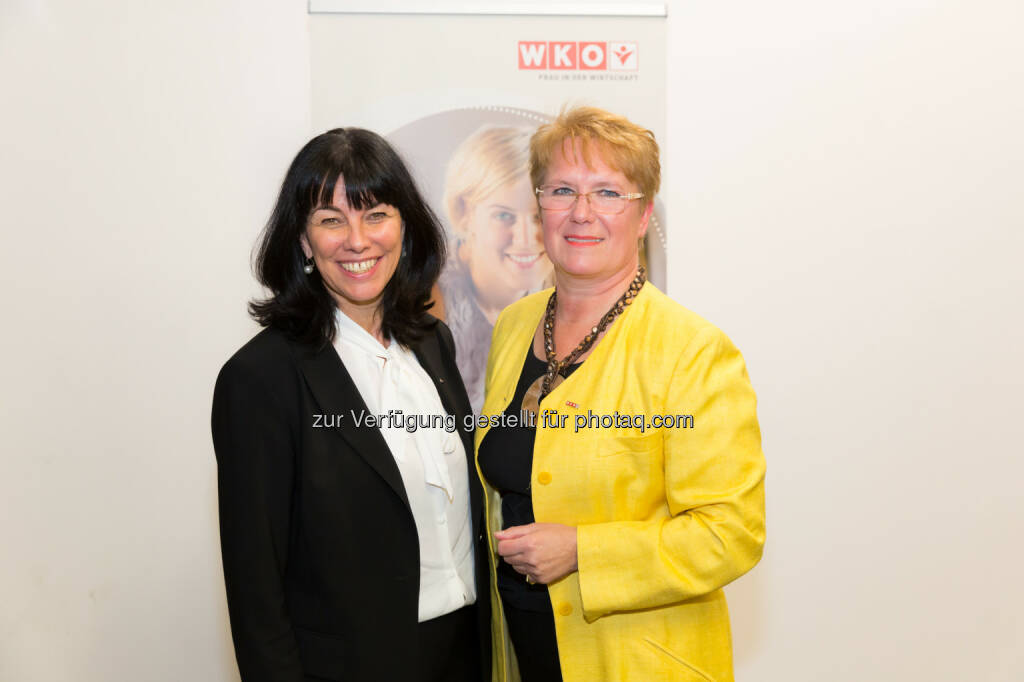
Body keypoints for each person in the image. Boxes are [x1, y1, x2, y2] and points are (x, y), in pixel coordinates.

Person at [475, 107, 766, 682]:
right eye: (562, 190)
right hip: (525, 653)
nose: (582, 212)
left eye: (608, 192)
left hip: (638, 664)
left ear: (642, 215)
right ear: (540, 209)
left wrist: (584, 550)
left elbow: (731, 533)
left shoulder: (693, 351)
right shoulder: (514, 325)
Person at [211, 128, 489, 682]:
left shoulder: (433, 341)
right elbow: (256, 589)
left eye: (376, 214)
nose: (357, 240)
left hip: (463, 650)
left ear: (405, 226)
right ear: (303, 241)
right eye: (331, 220)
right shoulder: (260, 379)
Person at [436, 125, 553, 412]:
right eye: (503, 215)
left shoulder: (571, 300)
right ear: (463, 214)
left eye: (540, 216)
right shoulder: (423, 307)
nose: (526, 239)